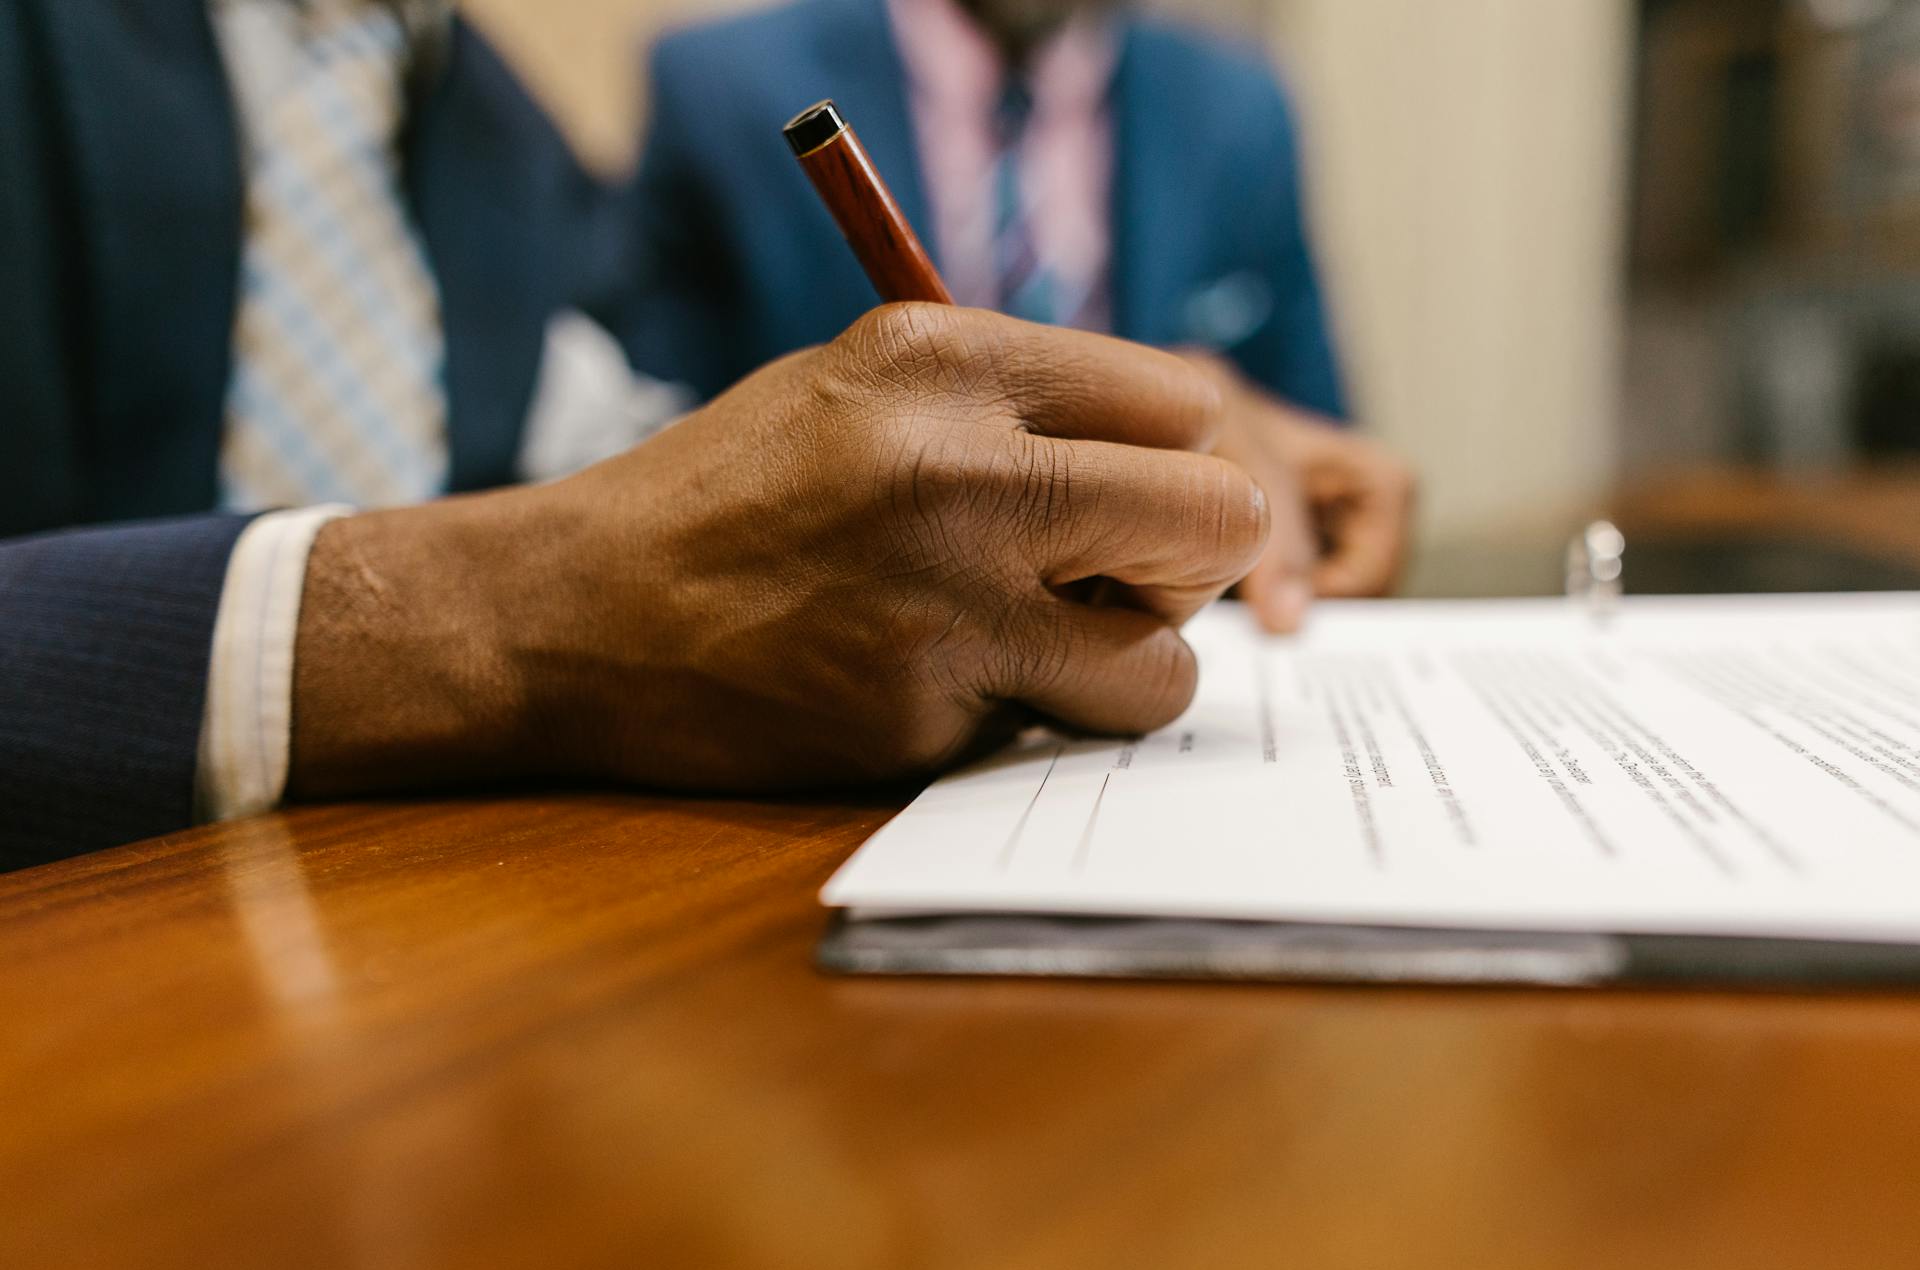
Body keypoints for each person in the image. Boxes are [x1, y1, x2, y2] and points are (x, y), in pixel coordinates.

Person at [0, 0, 1270, 870]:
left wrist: (1069, 466)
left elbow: (628, 431)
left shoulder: (492, 124)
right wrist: (494, 608)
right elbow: (612, 550)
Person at [623, 0, 1414, 625]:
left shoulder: (1242, 108)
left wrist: (1305, 487)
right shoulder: (718, 86)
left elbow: (1316, 443)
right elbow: (648, 471)